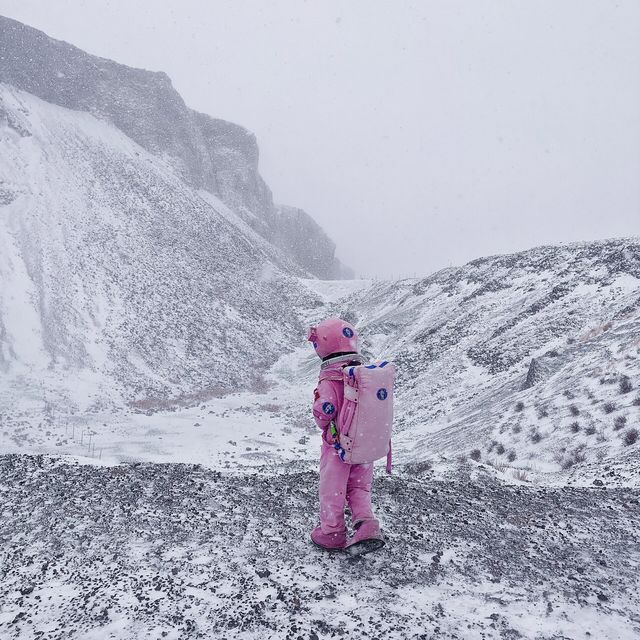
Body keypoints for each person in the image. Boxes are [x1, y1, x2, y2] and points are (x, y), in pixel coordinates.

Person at [307, 317, 384, 553]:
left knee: (333, 487)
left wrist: (322, 419)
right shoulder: (363, 375)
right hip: (365, 442)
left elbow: (324, 411)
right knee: (359, 486)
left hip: (338, 446)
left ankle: (332, 532)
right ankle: (366, 524)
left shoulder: (330, 379)